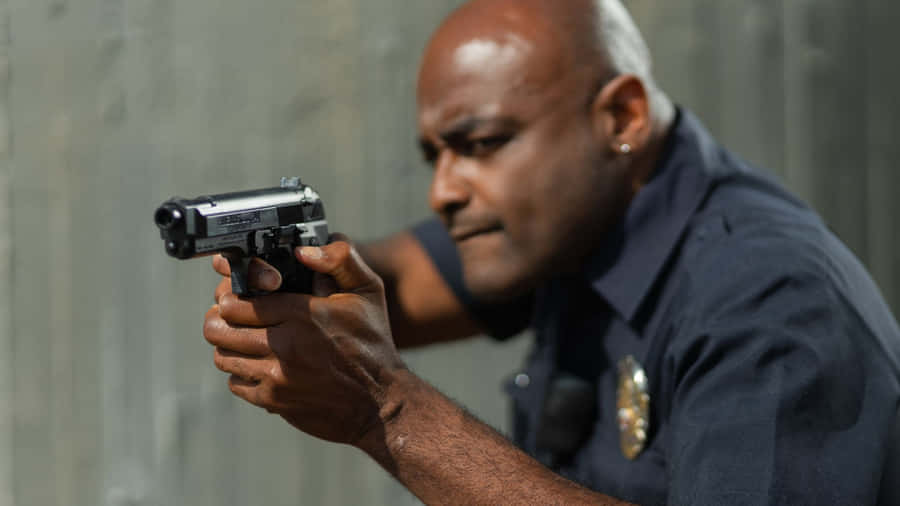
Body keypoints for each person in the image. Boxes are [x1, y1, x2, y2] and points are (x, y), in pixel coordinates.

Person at [201, 0, 900, 503]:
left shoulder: (769, 302)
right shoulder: (575, 218)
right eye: (436, 155)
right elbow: (395, 287)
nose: (445, 190)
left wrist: (387, 412)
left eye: (480, 145)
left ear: (621, 116)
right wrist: (290, 272)